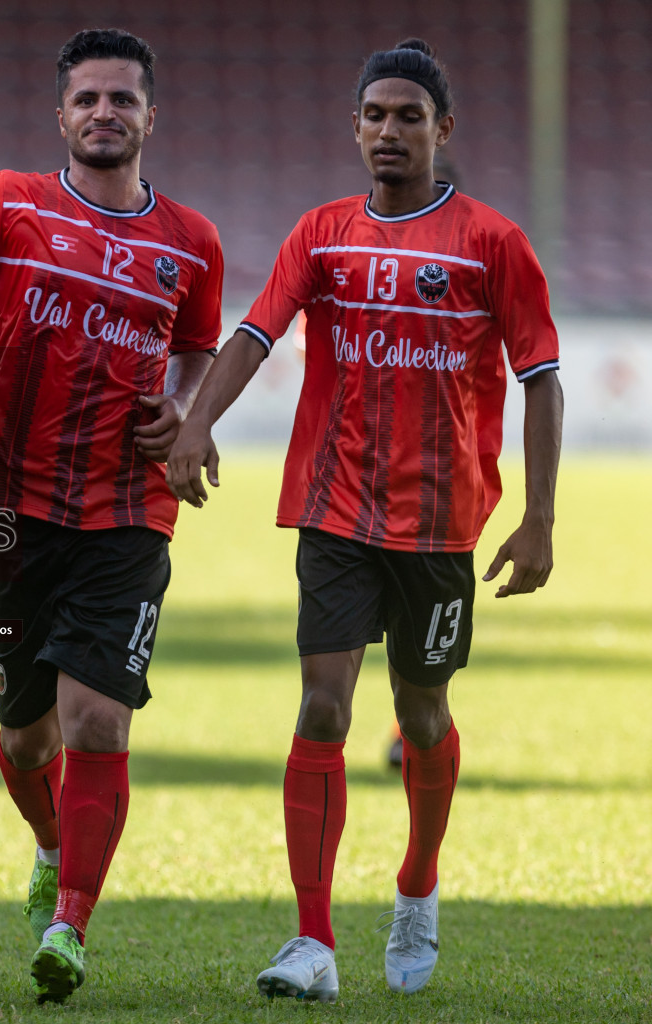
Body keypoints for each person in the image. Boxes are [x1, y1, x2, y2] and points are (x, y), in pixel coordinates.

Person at [167, 39, 562, 1003]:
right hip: (335, 510)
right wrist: (194, 426)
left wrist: (541, 518)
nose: (390, 131)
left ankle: (417, 885)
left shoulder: (491, 241)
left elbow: (542, 380)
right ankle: (312, 941)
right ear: (355, 128)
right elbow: (256, 334)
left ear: (442, 130)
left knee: (423, 714)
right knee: (323, 708)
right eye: (375, 116)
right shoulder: (323, 233)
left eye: (409, 116)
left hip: (439, 526)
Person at [0, 28, 224, 1005]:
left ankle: (70, 927)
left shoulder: (193, 241)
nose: (106, 113)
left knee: (97, 718)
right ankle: (53, 846)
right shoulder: (8, 203)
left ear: (150, 115)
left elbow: (195, 352)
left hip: (128, 511)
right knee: (24, 742)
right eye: (88, 99)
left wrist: (187, 411)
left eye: (123, 99)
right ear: (61, 115)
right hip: (11, 511)